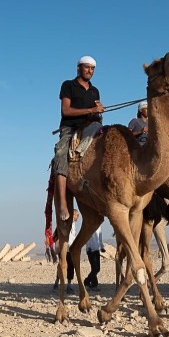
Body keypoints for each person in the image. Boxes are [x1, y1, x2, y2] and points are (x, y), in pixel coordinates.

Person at [52, 56, 104, 221]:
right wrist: (90, 110)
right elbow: (66, 111)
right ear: (79, 68)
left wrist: (97, 112)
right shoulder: (68, 85)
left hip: (91, 127)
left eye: (92, 68)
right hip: (70, 128)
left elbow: (95, 112)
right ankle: (62, 203)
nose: (90, 71)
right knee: (60, 153)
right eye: (87, 67)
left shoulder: (95, 90)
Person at [53, 209, 79, 290]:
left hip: (71, 249)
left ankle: (69, 285)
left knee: (71, 266)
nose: (77, 217)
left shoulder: (74, 225)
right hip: (63, 248)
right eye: (76, 215)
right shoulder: (65, 223)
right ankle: (57, 281)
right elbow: (56, 235)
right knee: (62, 265)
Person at [83, 225, 104, 290]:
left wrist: (102, 247)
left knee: (97, 268)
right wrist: (88, 246)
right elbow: (86, 236)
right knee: (94, 268)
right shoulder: (89, 224)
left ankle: (87, 281)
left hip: (96, 249)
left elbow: (100, 237)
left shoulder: (99, 226)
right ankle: (94, 284)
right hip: (90, 249)